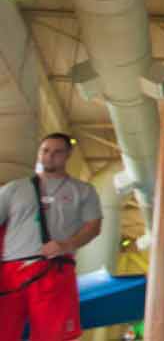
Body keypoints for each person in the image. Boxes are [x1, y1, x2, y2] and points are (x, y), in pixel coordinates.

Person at [0, 132, 102, 340]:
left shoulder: (83, 190)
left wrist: (67, 245)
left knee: (52, 335)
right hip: (10, 272)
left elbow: (94, 227)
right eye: (45, 151)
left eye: (57, 152)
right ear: (39, 153)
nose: (50, 156)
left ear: (67, 155)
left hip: (55, 270)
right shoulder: (13, 189)